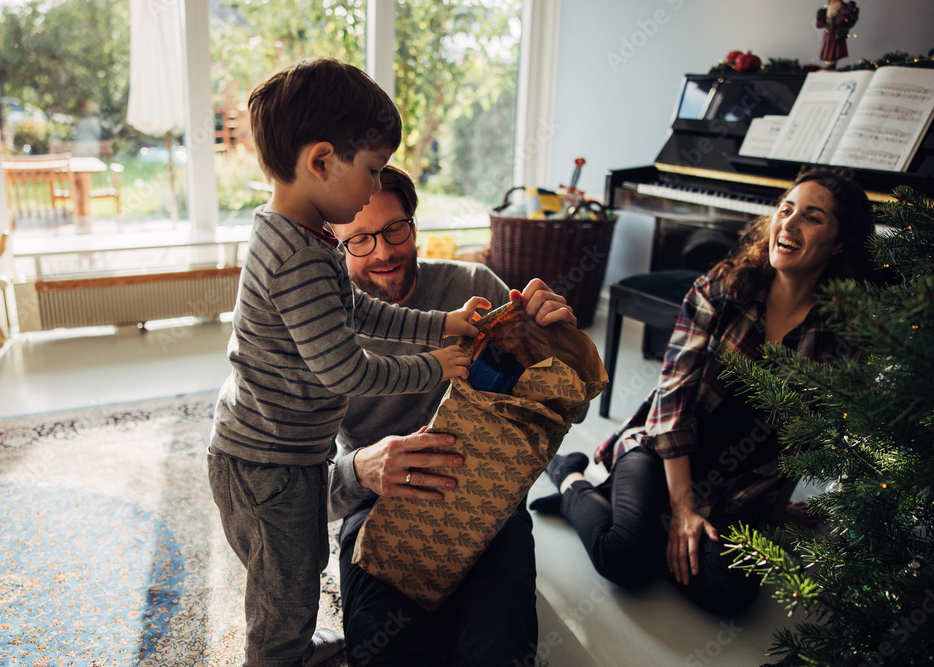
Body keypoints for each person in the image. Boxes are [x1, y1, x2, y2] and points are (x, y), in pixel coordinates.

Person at [206, 59, 490, 667]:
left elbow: (359, 313)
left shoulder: (307, 235)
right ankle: (280, 657)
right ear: (322, 161)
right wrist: (435, 366)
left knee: (300, 571)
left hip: (291, 450)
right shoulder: (297, 257)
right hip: (265, 461)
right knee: (282, 597)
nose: (371, 188)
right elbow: (348, 371)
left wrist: (443, 325)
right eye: (371, 170)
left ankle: (297, 647)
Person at [532, 167, 875, 615]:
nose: (788, 225)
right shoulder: (721, 287)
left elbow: (808, 436)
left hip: (741, 484)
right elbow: (671, 402)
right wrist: (683, 510)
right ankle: (573, 478)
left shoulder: (843, 335)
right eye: (785, 209)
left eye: (812, 218)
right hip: (667, 451)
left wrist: (775, 509)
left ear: (841, 242)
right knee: (623, 558)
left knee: (731, 594)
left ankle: (629, 520)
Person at [328, 165, 577, 666]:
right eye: (359, 240)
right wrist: (362, 467)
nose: (383, 251)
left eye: (395, 229)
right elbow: (296, 491)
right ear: (335, 248)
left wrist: (557, 342)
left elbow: (545, 408)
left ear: (415, 226)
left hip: (487, 499)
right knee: (385, 647)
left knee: (498, 643)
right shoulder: (320, 330)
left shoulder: (473, 285)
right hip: (377, 509)